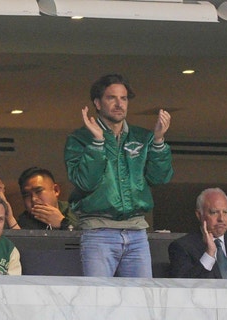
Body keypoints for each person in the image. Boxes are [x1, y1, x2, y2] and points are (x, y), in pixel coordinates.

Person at [64, 73, 174, 277]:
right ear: (97, 103)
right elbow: (85, 182)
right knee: (99, 301)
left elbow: (159, 178)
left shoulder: (142, 137)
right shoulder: (80, 138)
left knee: (140, 302)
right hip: (98, 232)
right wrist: (97, 143)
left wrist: (158, 140)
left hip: (137, 232)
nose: (119, 104)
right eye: (111, 98)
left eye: (123, 98)